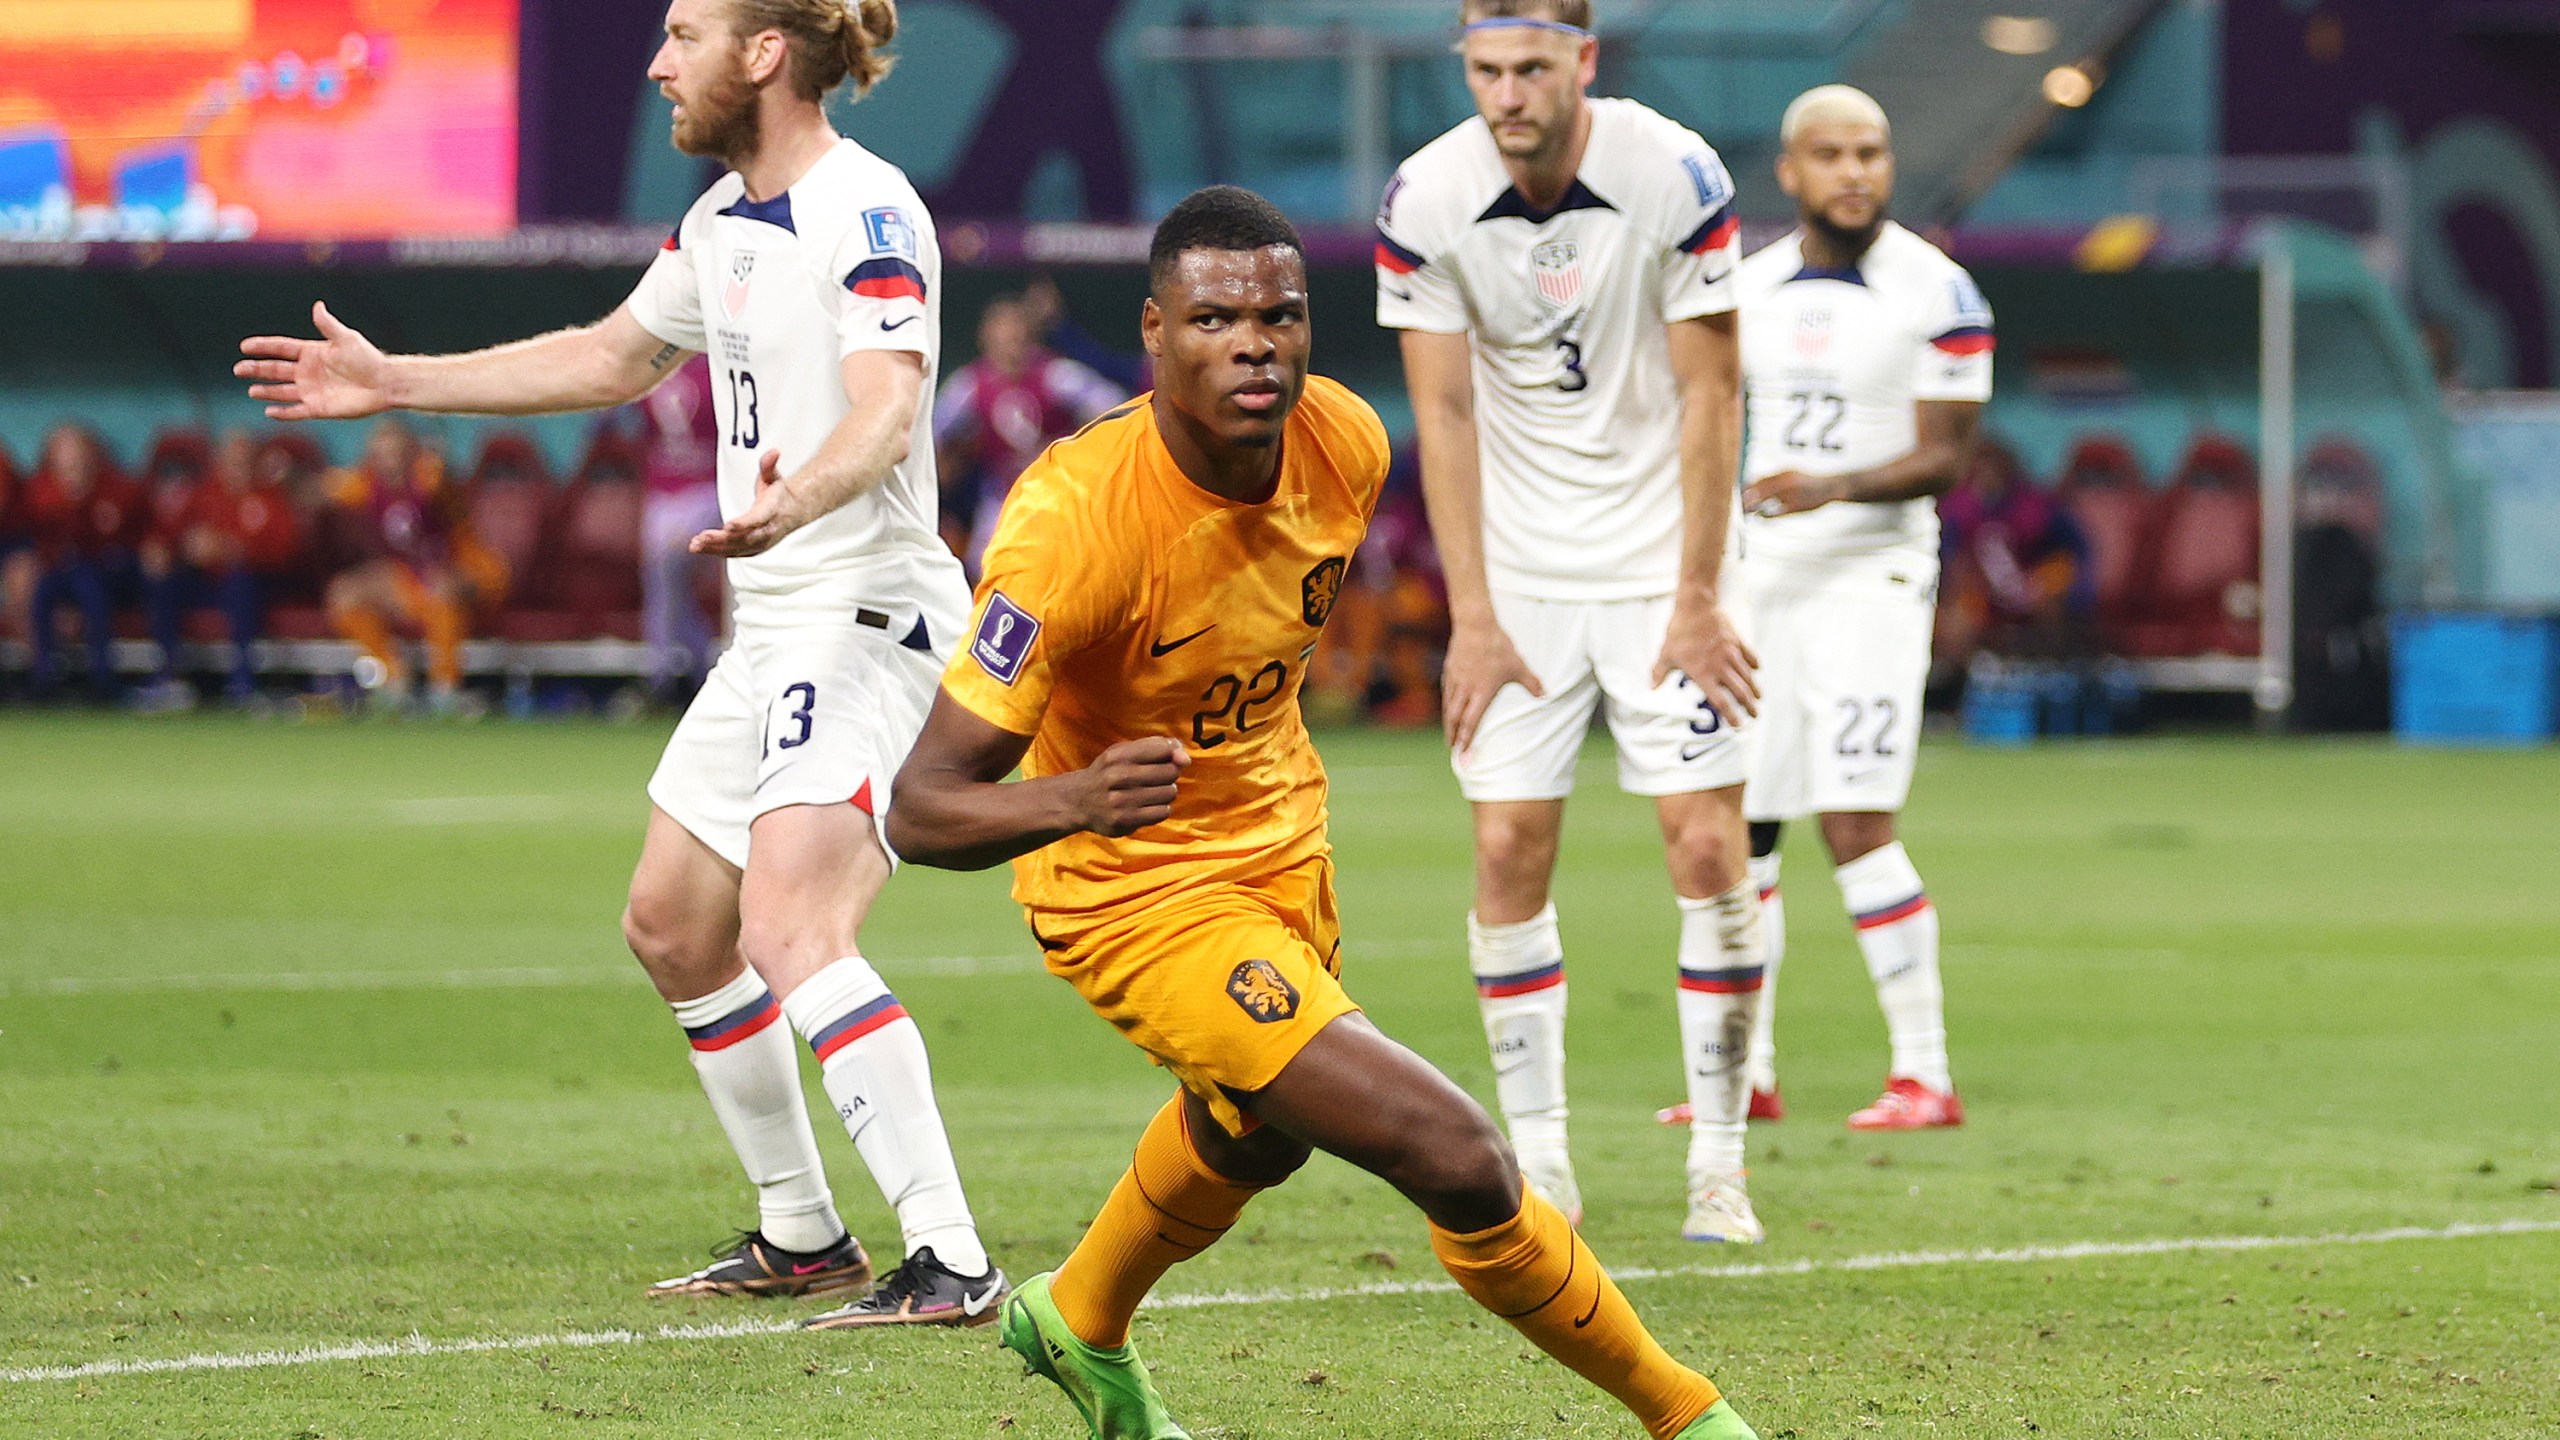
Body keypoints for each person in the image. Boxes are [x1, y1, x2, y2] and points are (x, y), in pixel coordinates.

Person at [889, 184, 1761, 1440]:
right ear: (1152, 332)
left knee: (1255, 1136)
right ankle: (1689, 1418)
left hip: (1284, 849)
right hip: (1135, 891)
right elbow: (921, 809)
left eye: (1280, 315)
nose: (1255, 342)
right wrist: (1076, 797)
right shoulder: (1070, 526)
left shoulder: (1345, 441)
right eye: (1214, 319)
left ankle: (1075, 1318)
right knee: (1455, 1154)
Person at [235, 0, 1003, 1327]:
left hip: (866, 609)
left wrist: (795, 499)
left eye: (685, 32)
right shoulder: (717, 224)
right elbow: (610, 357)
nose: (657, 61)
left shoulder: (868, 209)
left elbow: (888, 409)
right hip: (774, 623)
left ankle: (952, 1258)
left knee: (791, 927)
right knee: (673, 925)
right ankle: (804, 1236)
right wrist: (395, 380)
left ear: (765, 53)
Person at [1377, 0, 1766, 1241]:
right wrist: (1472, 617)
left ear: (1582, 64)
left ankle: (1718, 1162)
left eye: (1532, 69)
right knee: (1504, 854)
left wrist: (1700, 595)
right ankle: (1541, 1168)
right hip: (1523, 573)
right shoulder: (1424, 198)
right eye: (1486, 71)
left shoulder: (1675, 173)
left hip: (1667, 559)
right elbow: (1441, 419)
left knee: (1706, 851)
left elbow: (1715, 396)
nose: (1507, 95)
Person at [1728, 85, 1991, 1130]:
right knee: (1742, 825)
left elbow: (1948, 457)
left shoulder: (1940, 293)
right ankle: (1744, 1073)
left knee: (1852, 822)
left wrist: (1824, 487)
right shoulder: (1743, 289)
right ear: (1790, 172)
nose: (1853, 172)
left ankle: (1923, 1073)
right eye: (1829, 155)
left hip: (1872, 579)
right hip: (1761, 580)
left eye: (1870, 153)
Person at [317, 420, 506, 715]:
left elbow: (438, 485)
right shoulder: (366, 483)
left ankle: (445, 690)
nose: (390, 463)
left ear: (412, 452)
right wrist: (287, 477)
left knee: (440, 587)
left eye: (398, 453)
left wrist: (435, 460)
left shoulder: (429, 476)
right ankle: (394, 679)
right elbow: (325, 490)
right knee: (345, 593)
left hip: (466, 569)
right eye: (382, 455)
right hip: (410, 576)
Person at [931, 293, 1124, 572]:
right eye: (1002, 336)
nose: (1010, 344)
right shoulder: (970, 384)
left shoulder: (1056, 374)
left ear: (1029, 337)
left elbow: (1114, 407)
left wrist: (1083, 449)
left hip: (1060, 490)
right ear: (985, 338)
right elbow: (933, 432)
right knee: (984, 562)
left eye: (1016, 335)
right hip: (1002, 494)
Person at [140, 430, 303, 708]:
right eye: (231, 460)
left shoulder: (270, 498)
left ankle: (243, 681)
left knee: (241, 585)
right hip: (205, 580)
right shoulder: (205, 494)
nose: (237, 467)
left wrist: (233, 549)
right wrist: (162, 549)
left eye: (244, 460)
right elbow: (168, 534)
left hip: (253, 582)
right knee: (165, 584)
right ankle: (168, 677)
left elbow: (286, 552)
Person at [14, 425, 147, 702]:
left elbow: (124, 538)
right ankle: (44, 676)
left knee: (89, 586)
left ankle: (102, 679)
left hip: (106, 572)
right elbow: (37, 537)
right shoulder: (41, 488)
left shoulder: (116, 486)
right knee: (41, 592)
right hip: (59, 571)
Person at [637, 355, 725, 695]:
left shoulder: (715, 365)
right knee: (662, 582)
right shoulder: (652, 364)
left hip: (705, 487)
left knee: (669, 572)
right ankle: (673, 674)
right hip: (662, 491)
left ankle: (667, 675)